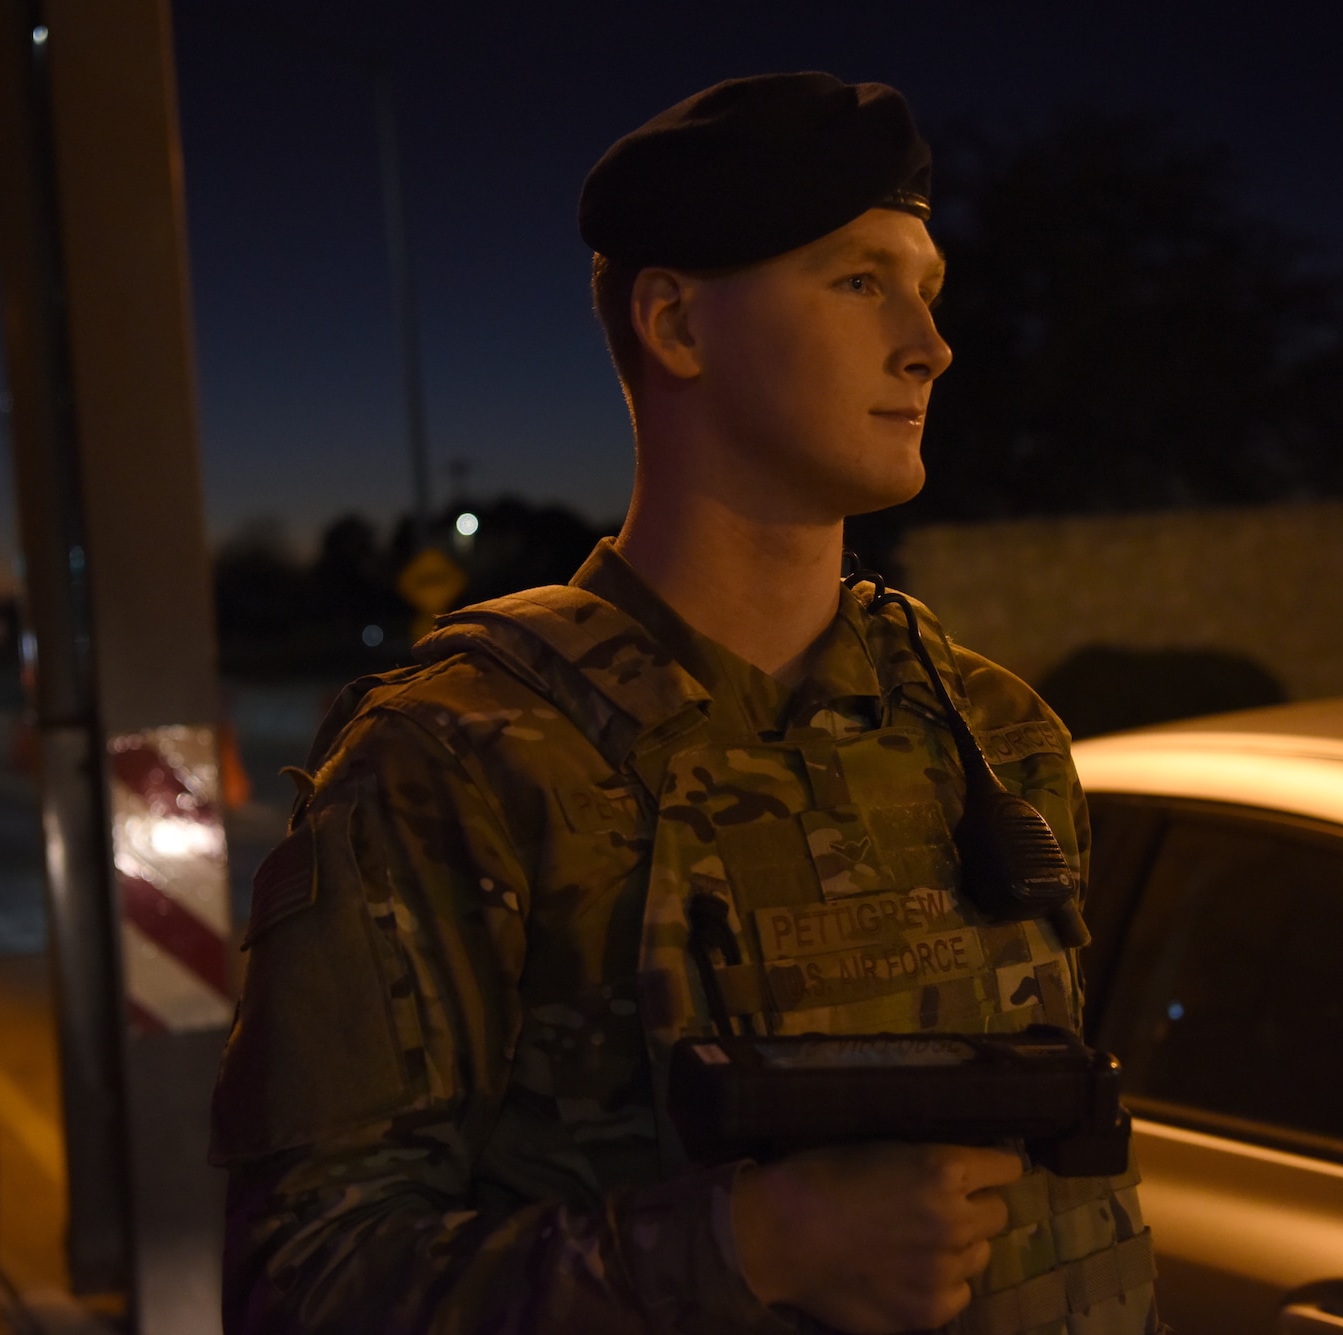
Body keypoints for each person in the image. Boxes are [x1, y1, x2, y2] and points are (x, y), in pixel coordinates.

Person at [211, 72, 1161, 1335]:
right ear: (675, 325)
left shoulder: (991, 737)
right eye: (857, 281)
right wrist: (749, 1244)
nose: (929, 343)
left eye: (927, 289)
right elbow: (303, 1289)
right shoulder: (453, 762)